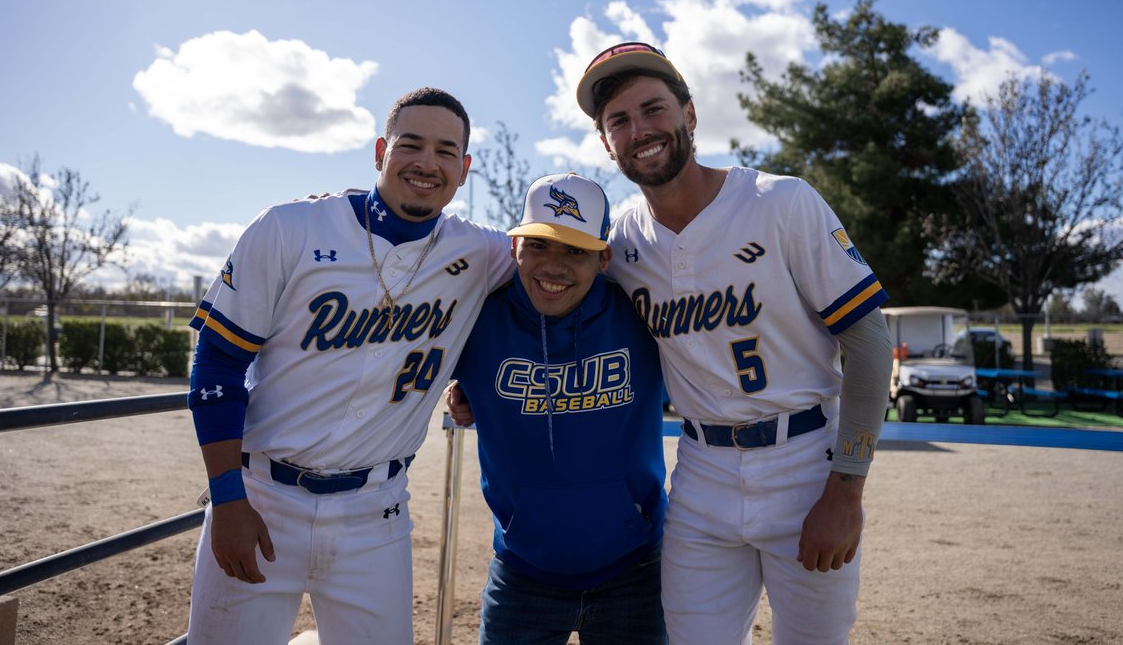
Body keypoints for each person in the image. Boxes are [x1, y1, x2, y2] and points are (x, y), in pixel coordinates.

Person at [575, 42, 893, 645]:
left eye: (653, 108)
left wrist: (847, 487)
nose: (640, 129)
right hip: (700, 473)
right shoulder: (620, 244)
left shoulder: (780, 200)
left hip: (806, 462)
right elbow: (555, 297)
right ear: (606, 143)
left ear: (690, 114)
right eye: (619, 121)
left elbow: (871, 342)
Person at [185, 87, 513, 644]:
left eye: (445, 151)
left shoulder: (484, 253)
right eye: (411, 145)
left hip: (377, 513)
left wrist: (476, 378)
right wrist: (227, 499)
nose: (427, 163)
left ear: (465, 168)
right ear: (381, 150)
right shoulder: (291, 227)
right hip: (261, 498)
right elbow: (217, 365)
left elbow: (560, 272)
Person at [446, 172, 668, 645]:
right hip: (522, 572)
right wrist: (459, 391)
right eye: (540, 246)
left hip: (636, 570)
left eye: (575, 251)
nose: (554, 266)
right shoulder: (475, 317)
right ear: (514, 247)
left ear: (603, 257)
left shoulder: (644, 311)